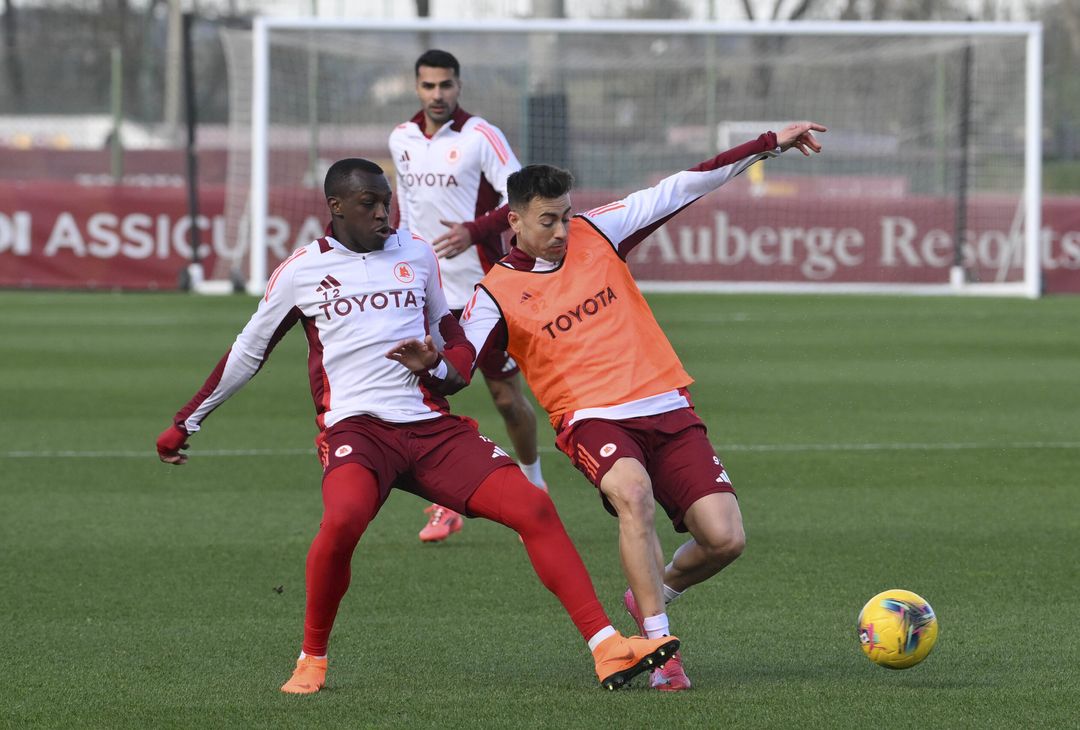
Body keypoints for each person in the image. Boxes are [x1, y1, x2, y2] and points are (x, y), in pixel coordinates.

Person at [154, 158, 679, 694]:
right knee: (341, 524)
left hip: (429, 429)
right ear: (336, 208)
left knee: (534, 507)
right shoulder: (300, 272)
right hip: (357, 432)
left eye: (387, 201)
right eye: (370, 205)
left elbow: (451, 339)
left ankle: (607, 648)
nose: (384, 212)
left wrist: (438, 363)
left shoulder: (416, 253)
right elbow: (248, 351)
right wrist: (186, 421)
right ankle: (312, 658)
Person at [456, 122, 827, 691]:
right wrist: (426, 361)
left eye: (565, 215)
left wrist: (768, 143)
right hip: (591, 417)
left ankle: (653, 591)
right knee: (633, 494)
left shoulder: (596, 231)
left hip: (666, 403)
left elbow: (682, 186)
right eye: (547, 220)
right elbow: (457, 368)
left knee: (725, 539)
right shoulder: (494, 294)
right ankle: (659, 646)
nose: (561, 230)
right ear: (515, 221)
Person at [388, 49, 545, 544]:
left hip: (482, 290)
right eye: (429, 86)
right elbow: (407, 213)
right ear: (417, 87)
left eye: (447, 85)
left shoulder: (481, 136)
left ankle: (535, 485)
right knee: (425, 398)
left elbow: (519, 196)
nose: (438, 94)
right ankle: (445, 504)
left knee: (505, 397)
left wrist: (473, 232)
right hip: (426, 292)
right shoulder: (401, 139)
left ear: (459, 86)